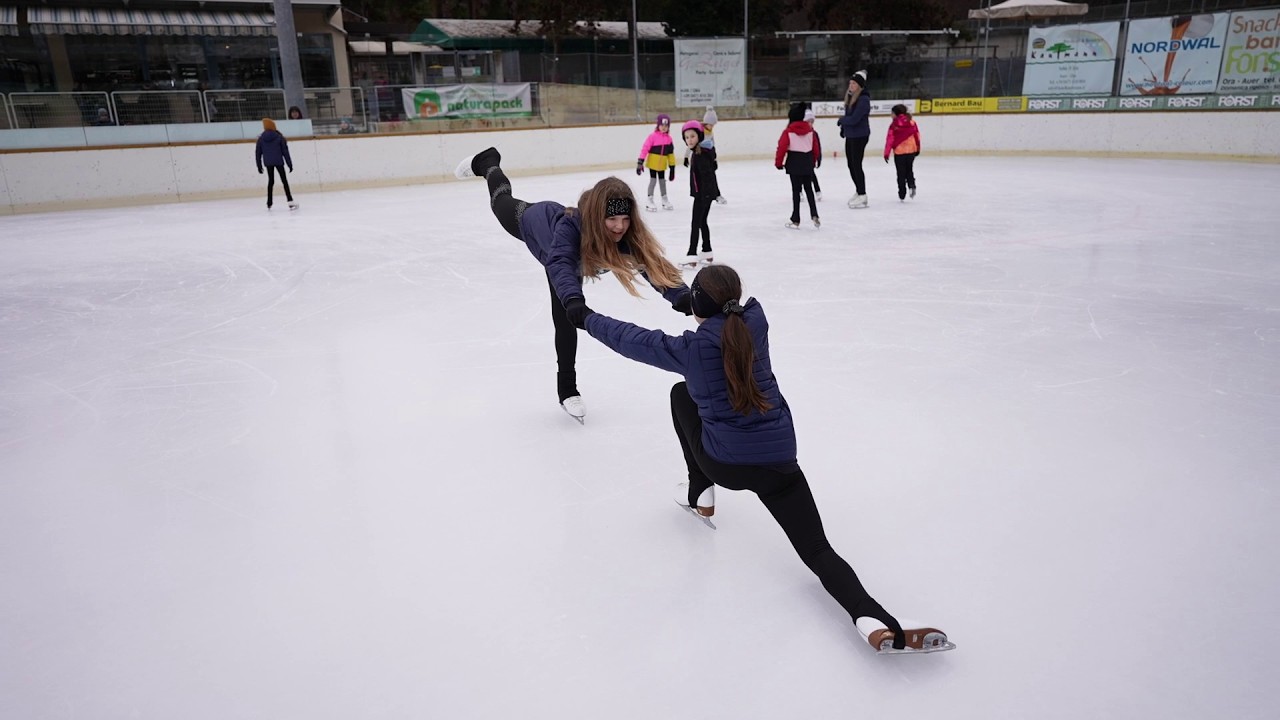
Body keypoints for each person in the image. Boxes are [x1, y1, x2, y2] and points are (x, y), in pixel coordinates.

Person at [569, 264, 953, 654]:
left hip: (726, 465)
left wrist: (586, 318)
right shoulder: (755, 323)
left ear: (699, 306)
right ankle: (870, 616)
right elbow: (715, 317)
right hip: (779, 464)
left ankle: (701, 489)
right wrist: (685, 298)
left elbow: (633, 339)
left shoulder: (692, 351)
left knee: (681, 395)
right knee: (817, 549)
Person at [453, 146, 691, 423]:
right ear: (597, 217)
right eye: (612, 219)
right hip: (536, 223)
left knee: (567, 311)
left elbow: (652, 266)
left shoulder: (625, 237)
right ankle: (488, 163)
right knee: (501, 202)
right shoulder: (570, 229)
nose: (619, 226)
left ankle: (566, 388)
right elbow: (561, 263)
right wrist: (574, 300)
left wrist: (683, 297)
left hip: (567, 256)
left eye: (625, 218)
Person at [680, 120, 720, 268]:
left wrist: (705, 195)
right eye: (687, 137)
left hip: (703, 194)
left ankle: (692, 253)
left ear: (699, 136)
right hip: (706, 194)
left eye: (692, 136)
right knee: (702, 221)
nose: (689, 140)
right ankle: (707, 250)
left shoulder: (700, 154)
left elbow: (708, 175)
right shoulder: (700, 152)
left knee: (696, 223)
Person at [775, 103, 821, 229]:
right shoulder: (810, 131)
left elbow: (782, 148)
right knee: (809, 189)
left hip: (794, 163)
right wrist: (813, 161)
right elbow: (815, 148)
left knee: (796, 191)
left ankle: (796, 219)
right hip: (807, 162)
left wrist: (779, 163)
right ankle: (814, 214)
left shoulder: (788, 132)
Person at [837, 70, 871, 209]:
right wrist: (843, 129)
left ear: (860, 86)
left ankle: (863, 195)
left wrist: (842, 120)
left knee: (856, 164)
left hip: (860, 135)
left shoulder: (863, 100)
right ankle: (859, 190)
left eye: (854, 83)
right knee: (851, 165)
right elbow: (849, 117)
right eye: (850, 83)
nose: (851, 85)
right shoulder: (851, 97)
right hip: (851, 135)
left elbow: (855, 119)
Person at [636, 114, 677, 212]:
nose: (664, 127)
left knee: (662, 182)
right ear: (658, 125)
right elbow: (645, 149)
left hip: (662, 165)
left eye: (666, 126)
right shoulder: (652, 137)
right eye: (662, 125)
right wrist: (640, 162)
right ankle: (650, 199)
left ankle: (664, 199)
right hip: (653, 164)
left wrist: (672, 168)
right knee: (653, 181)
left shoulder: (669, 139)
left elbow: (671, 154)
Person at [254, 118, 297, 210]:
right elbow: (285, 152)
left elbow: (258, 153)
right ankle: (290, 201)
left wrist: (259, 165)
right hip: (279, 162)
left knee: (271, 181)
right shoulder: (279, 137)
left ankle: (269, 202)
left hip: (268, 163)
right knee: (284, 181)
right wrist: (289, 164)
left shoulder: (261, 139)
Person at [884, 104, 921, 202]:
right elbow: (917, 136)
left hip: (899, 151)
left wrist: (886, 153)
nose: (891, 115)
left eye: (892, 113)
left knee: (900, 173)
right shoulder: (912, 122)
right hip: (911, 150)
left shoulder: (894, 124)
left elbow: (890, 139)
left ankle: (902, 193)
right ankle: (912, 185)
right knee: (909, 170)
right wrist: (918, 148)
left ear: (896, 113)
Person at [804, 107, 823, 202]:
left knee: (811, 174)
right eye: (808, 121)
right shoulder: (800, 133)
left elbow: (818, 147)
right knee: (799, 176)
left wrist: (819, 158)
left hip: (810, 158)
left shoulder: (814, 133)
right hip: (801, 158)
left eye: (812, 122)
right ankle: (799, 191)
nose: (810, 124)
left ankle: (817, 190)